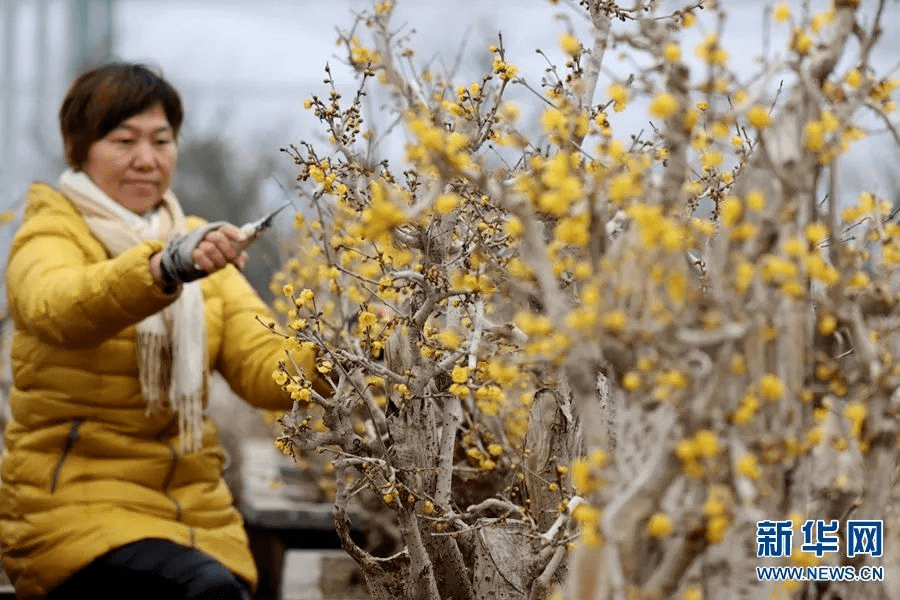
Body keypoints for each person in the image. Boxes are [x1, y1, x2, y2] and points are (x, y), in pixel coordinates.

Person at [0, 62, 326, 599]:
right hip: (70, 516)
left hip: (195, 519)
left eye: (161, 140)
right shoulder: (49, 232)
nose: (146, 160)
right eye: (123, 140)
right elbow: (57, 307)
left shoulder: (197, 243)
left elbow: (265, 369)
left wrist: (349, 352)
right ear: (80, 149)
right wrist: (165, 268)